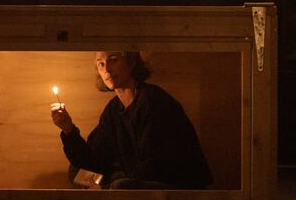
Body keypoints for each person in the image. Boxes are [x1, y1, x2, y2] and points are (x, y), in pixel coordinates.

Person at [50, 52, 212, 189]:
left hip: (172, 182)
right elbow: (92, 161)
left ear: (131, 62)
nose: (106, 69)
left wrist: (109, 180)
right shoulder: (113, 110)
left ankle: (109, 188)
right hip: (132, 175)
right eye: (100, 64)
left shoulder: (152, 101)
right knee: (76, 171)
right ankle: (109, 187)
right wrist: (68, 129)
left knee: (121, 185)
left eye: (113, 60)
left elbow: (153, 165)